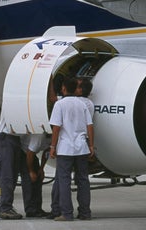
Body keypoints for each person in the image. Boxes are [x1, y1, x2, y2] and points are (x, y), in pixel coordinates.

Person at [49, 77, 94, 221]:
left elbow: (56, 128)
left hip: (65, 148)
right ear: (75, 89)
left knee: (64, 181)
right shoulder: (83, 105)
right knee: (83, 181)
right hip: (82, 147)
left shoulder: (59, 105)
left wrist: (52, 146)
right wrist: (91, 145)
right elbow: (90, 126)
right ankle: (85, 213)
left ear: (63, 88)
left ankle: (67, 213)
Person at [0, 115, 26, 220]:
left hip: (15, 138)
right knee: (7, 175)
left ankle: (6, 206)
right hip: (7, 136)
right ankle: (5, 208)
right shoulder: (11, 99)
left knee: (13, 176)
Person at [20, 133, 52, 218]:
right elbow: (30, 153)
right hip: (24, 153)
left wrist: (41, 169)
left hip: (31, 154)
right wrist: (30, 171)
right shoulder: (39, 137)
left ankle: (38, 209)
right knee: (29, 180)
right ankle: (30, 210)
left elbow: (47, 151)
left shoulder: (53, 136)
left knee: (38, 179)